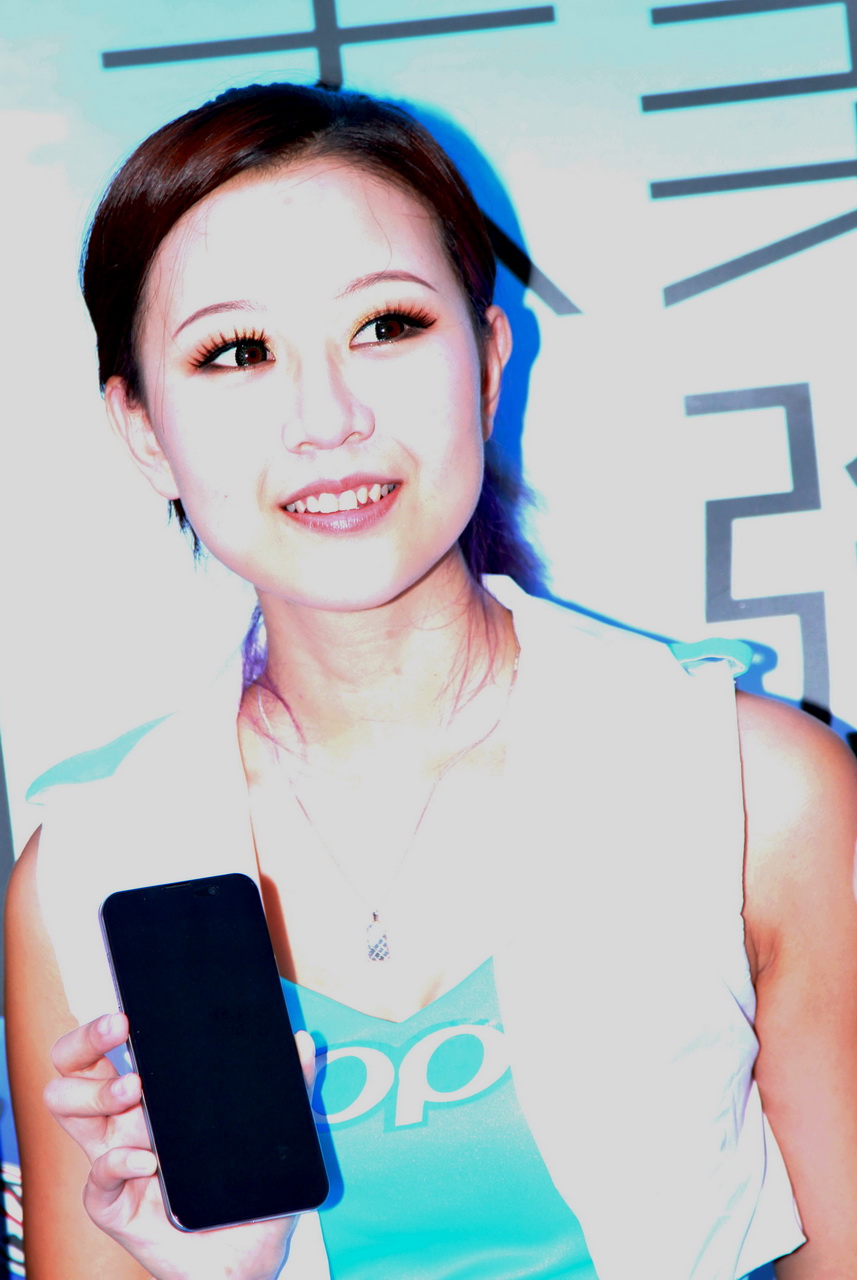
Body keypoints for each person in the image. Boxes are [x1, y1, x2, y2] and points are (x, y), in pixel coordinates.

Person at [5, 81, 857, 1280]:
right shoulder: (89, 866)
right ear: (143, 429)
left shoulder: (752, 785)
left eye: (386, 325)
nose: (326, 418)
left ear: (488, 359)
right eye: (235, 352)